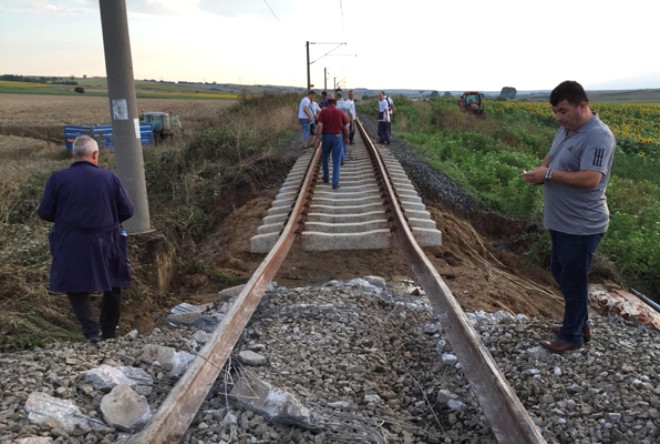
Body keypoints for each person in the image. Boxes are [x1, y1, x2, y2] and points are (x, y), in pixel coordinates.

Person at [522, 80, 615, 354]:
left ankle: (572, 335)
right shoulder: (566, 130)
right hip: (561, 221)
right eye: (555, 112)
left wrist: (548, 175)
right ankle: (581, 323)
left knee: (573, 280)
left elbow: (591, 178)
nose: (558, 117)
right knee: (560, 271)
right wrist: (539, 171)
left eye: (563, 111)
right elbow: (551, 157)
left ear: (582, 106)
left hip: (581, 224)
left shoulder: (598, 136)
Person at [38, 135, 134, 343]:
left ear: (73, 155)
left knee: (75, 286)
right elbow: (127, 210)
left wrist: (67, 219)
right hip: (108, 241)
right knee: (113, 284)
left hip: (71, 242)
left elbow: (44, 212)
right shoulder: (110, 178)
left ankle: (92, 331)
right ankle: (109, 332)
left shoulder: (57, 178)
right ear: (95, 155)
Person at [315, 97, 349, 189]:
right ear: (336, 104)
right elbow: (346, 127)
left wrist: (318, 138)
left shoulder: (323, 112)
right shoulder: (340, 112)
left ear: (328, 104)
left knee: (325, 157)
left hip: (326, 137)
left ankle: (326, 177)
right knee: (336, 160)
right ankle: (335, 182)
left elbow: (319, 126)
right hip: (337, 137)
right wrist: (346, 138)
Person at [335, 90, 353, 165]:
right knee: (345, 141)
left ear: (336, 97)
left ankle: (342, 158)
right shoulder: (347, 104)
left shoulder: (335, 105)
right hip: (346, 125)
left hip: (338, 125)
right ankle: (343, 157)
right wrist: (351, 125)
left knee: (339, 142)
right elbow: (351, 115)